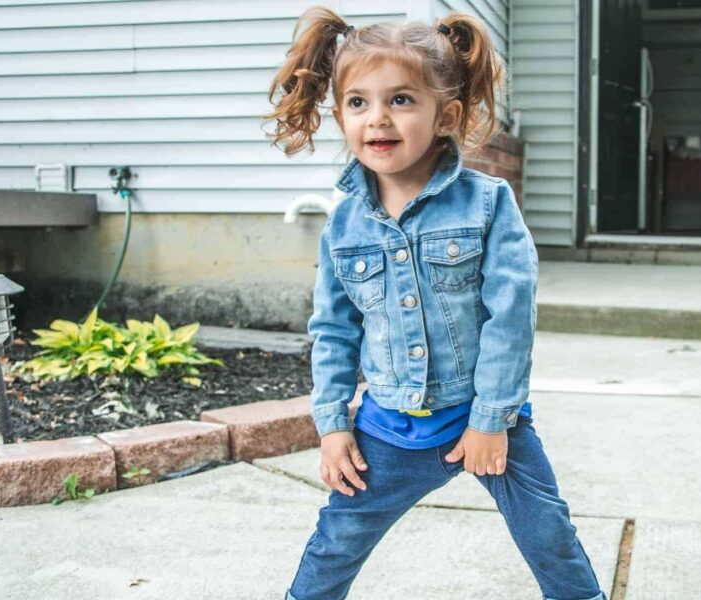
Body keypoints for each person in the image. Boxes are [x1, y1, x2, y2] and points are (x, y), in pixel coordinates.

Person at [262, 6, 608, 600]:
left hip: (487, 419)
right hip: (389, 428)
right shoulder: (344, 225)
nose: (378, 119)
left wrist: (490, 420)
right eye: (358, 102)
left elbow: (511, 320)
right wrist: (332, 425)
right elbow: (334, 331)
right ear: (340, 113)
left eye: (401, 100)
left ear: (445, 115)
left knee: (549, 534)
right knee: (336, 541)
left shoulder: (488, 204)